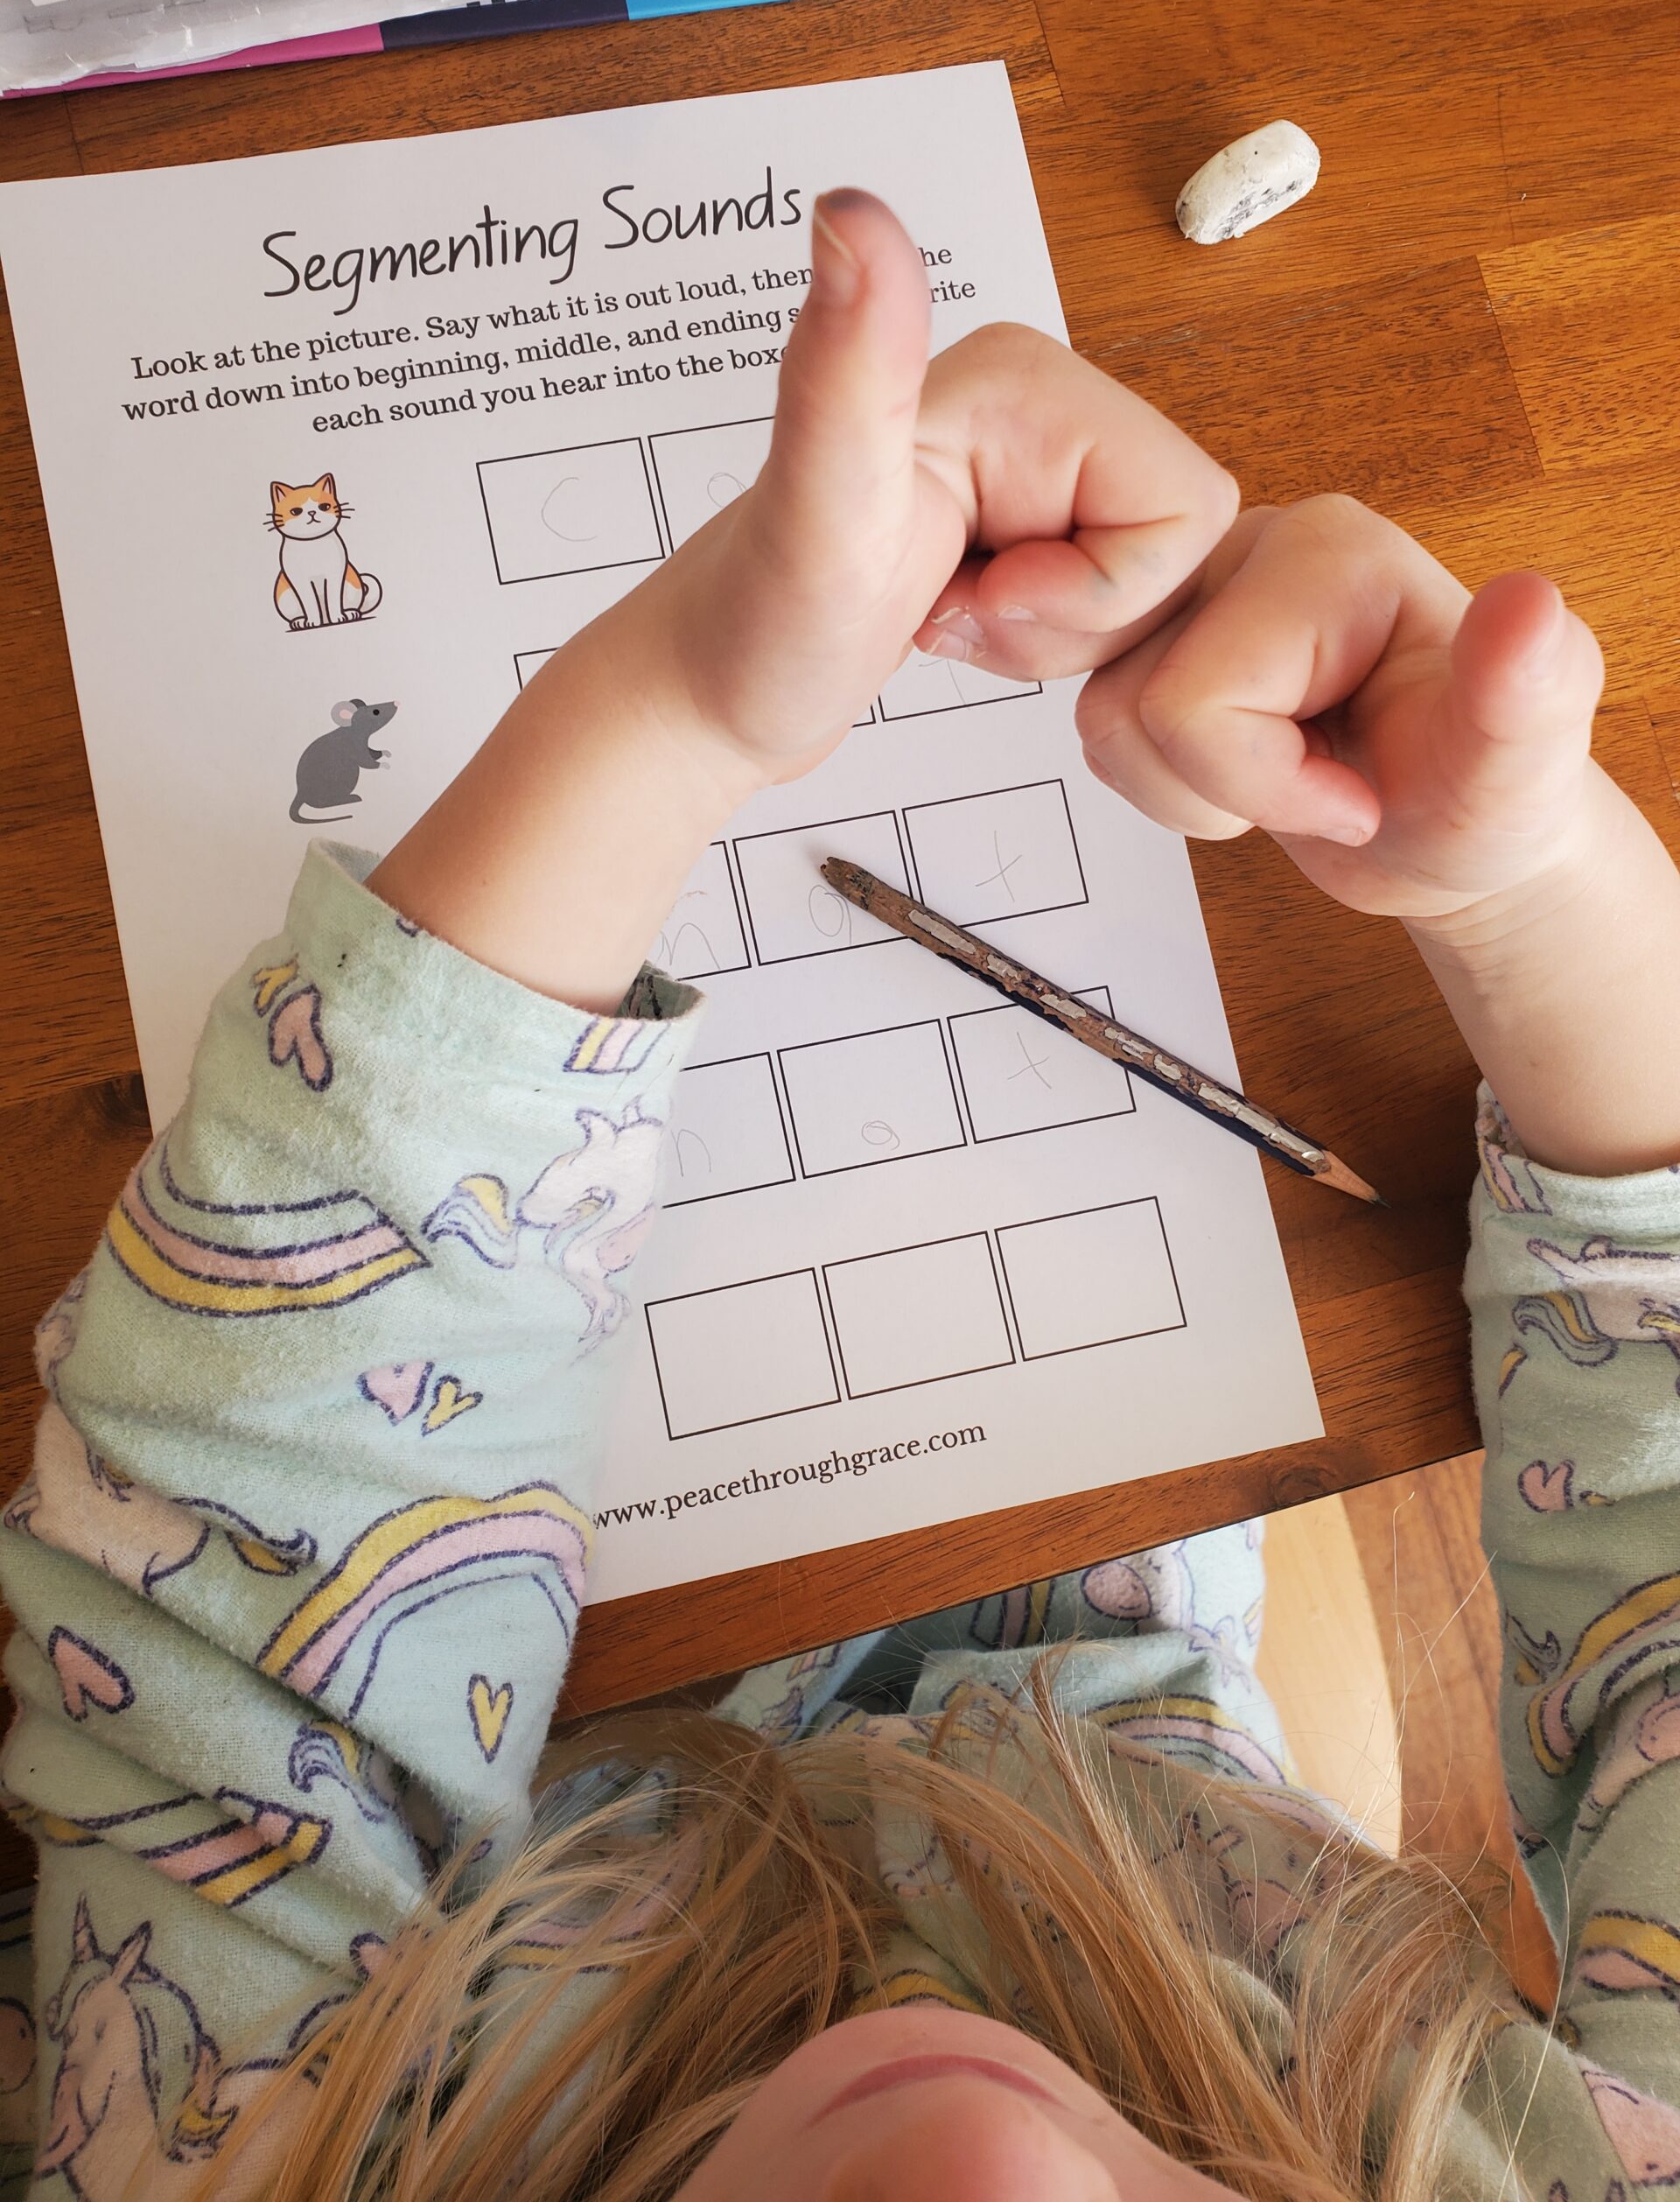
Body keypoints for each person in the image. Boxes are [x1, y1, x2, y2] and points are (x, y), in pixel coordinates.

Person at [2, 186, 1678, 2202]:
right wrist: (1510, 878)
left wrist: (672, 709)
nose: (987, 2166)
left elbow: (231, 1577)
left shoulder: (227, 2159)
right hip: (1110, 1678)